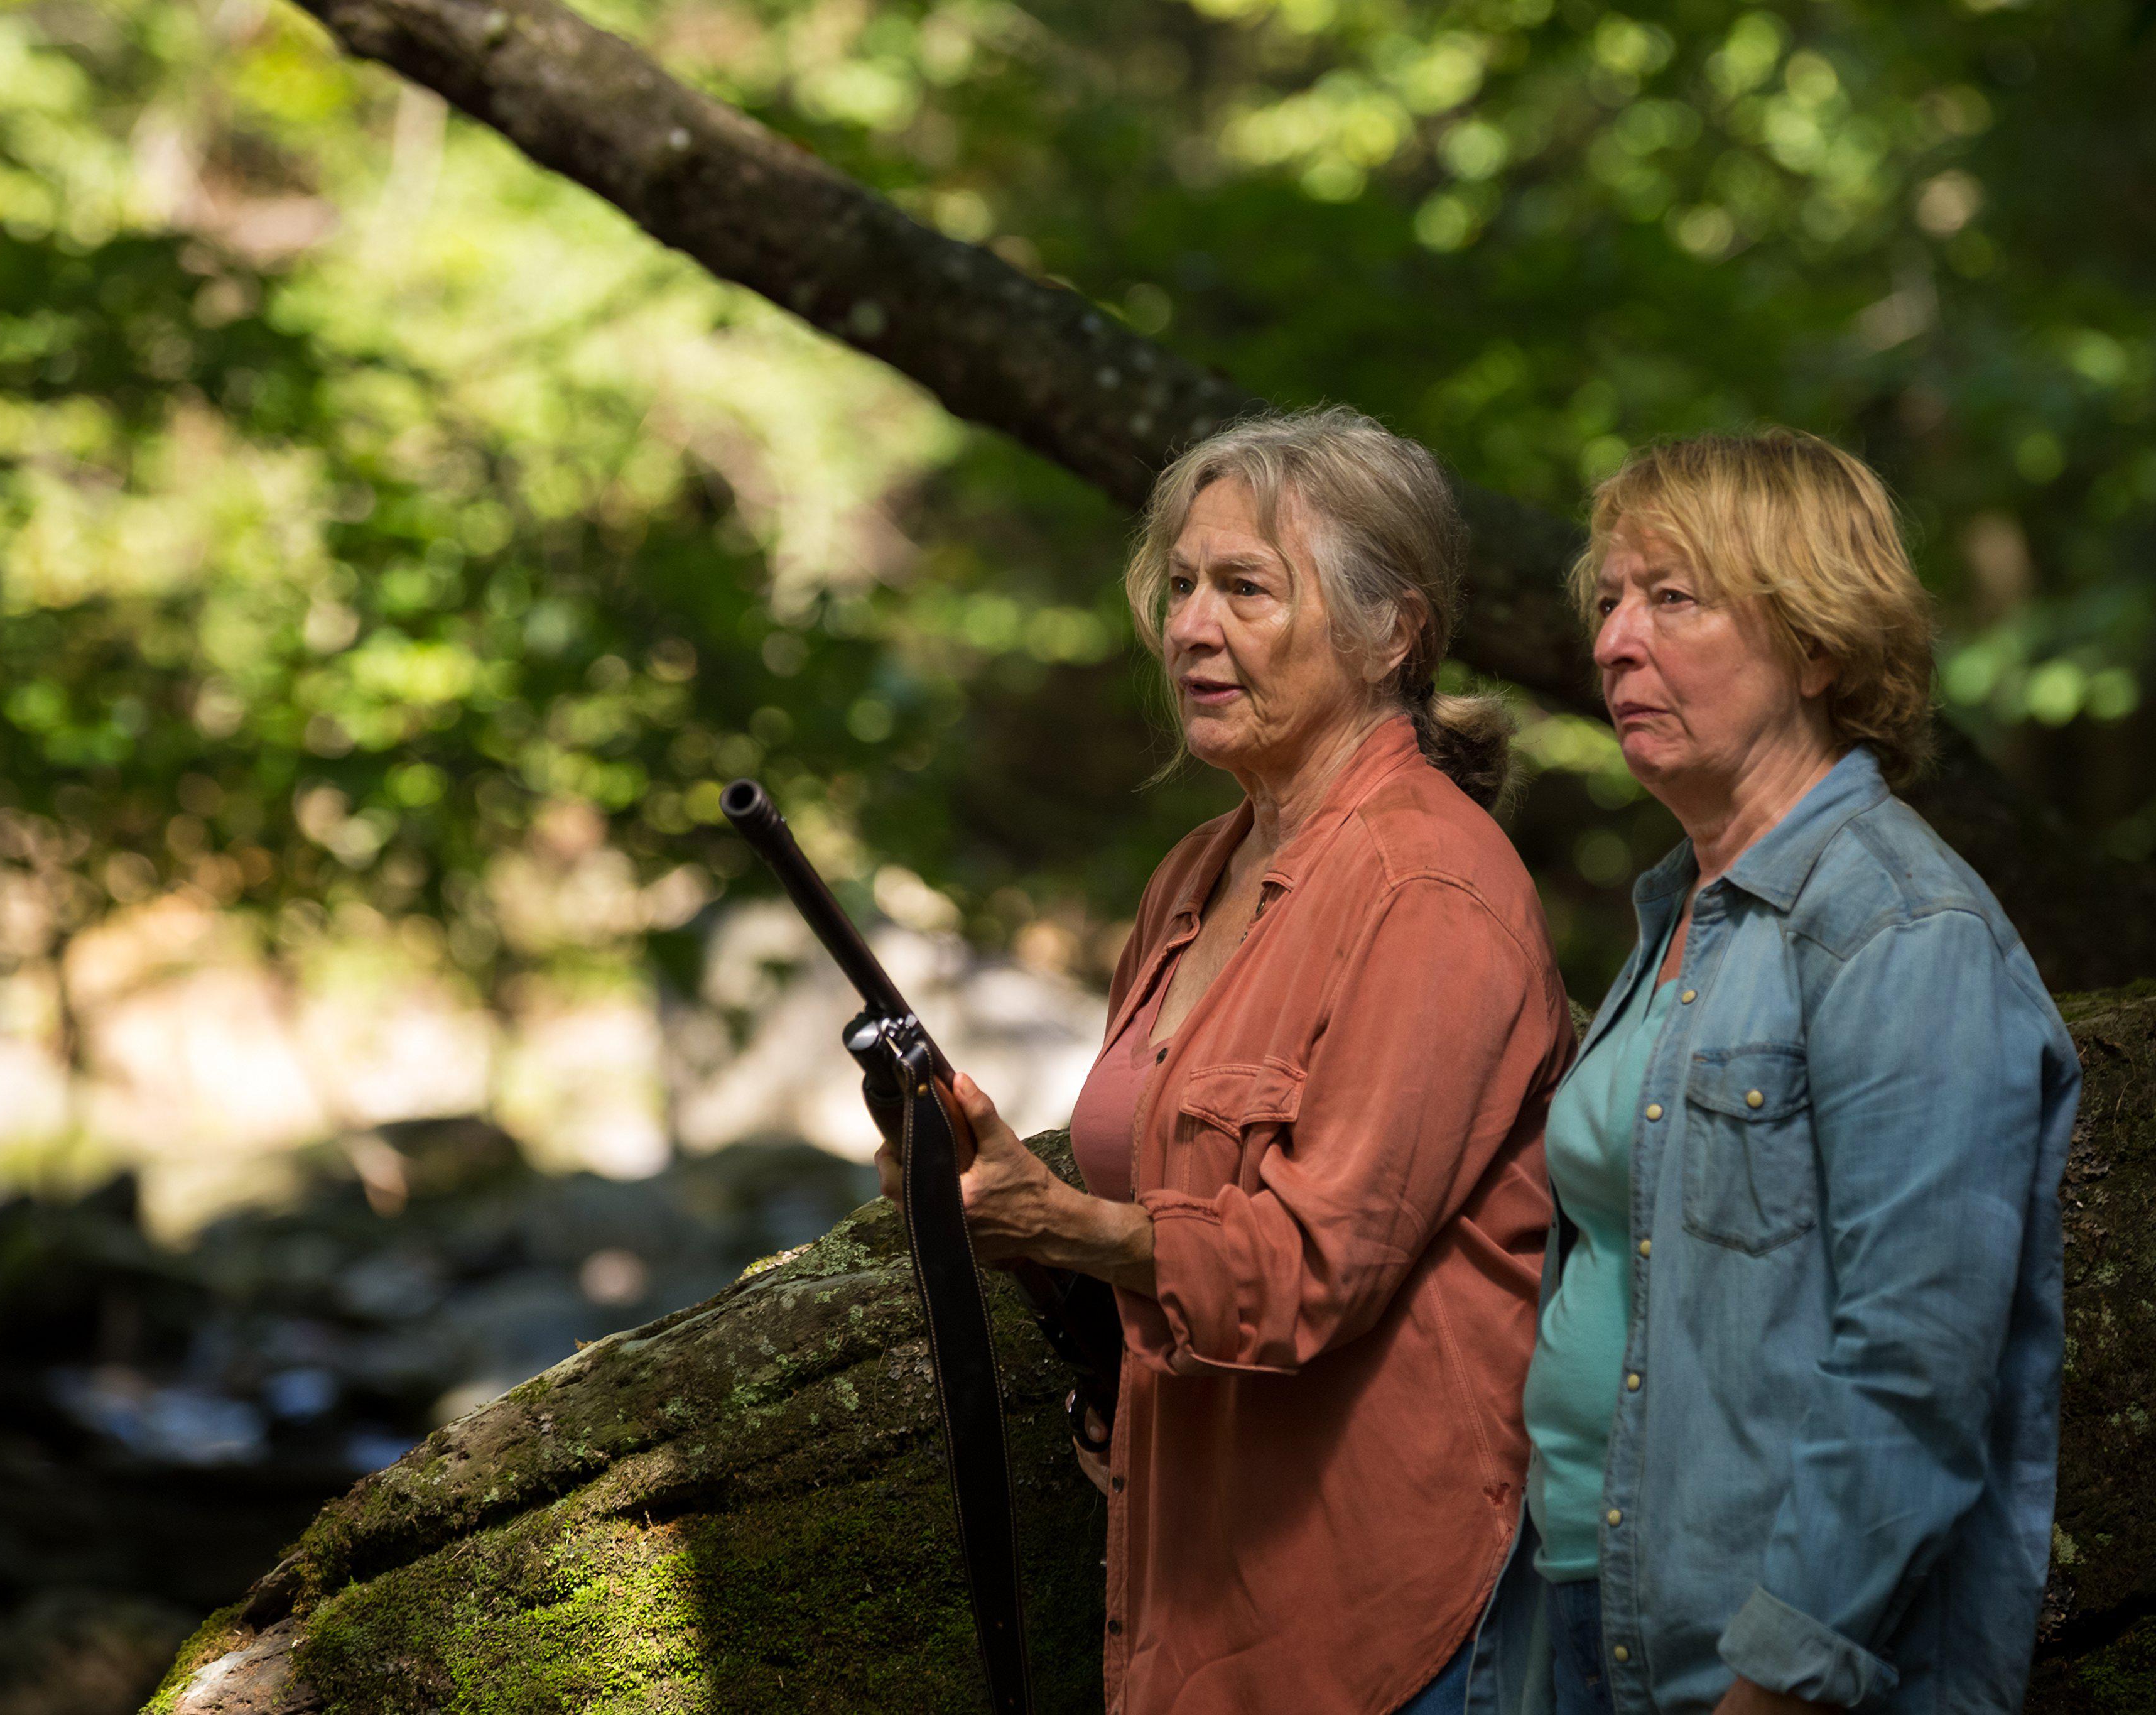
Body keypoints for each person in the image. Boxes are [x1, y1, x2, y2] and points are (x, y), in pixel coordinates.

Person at [878, 408, 1573, 1715]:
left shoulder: (1428, 887)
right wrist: (985, 1196)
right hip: (1200, 1606)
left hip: (1395, 1631)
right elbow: (1156, 1192)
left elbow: (1310, 1270)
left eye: (1245, 588)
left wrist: (1079, 1229)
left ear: (1390, 632)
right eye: (1181, 585)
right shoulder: (1197, 870)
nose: (1190, 628)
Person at [1512, 429, 2081, 1714]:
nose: (1612, 642)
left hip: (1767, 1666)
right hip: (1593, 1611)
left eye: (1672, 598)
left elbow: (1916, 1361)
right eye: (1607, 600)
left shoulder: (1896, 929)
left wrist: (1781, 1677)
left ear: (1818, 645)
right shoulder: (1679, 913)